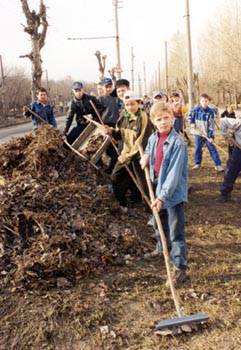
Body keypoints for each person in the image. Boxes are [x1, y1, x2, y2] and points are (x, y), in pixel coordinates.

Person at [140, 102, 188, 287]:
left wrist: (162, 197)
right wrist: (146, 154)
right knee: (159, 223)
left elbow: (174, 175)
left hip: (172, 193)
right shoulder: (153, 138)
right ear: (153, 121)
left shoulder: (178, 143)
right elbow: (151, 151)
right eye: (159, 119)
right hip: (156, 187)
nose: (163, 122)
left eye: (166, 118)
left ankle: (180, 268)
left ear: (173, 118)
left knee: (176, 230)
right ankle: (162, 249)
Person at [105, 90, 153, 212]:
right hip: (126, 154)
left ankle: (151, 212)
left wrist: (127, 157)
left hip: (139, 156)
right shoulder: (123, 117)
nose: (130, 107)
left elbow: (141, 143)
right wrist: (111, 131)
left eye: (132, 104)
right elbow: (118, 136)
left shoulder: (143, 118)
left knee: (144, 184)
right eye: (127, 104)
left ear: (138, 103)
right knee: (115, 177)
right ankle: (122, 204)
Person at [187, 93, 224, 171]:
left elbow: (211, 126)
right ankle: (197, 163)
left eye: (206, 101)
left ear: (208, 102)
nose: (204, 102)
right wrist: (192, 122)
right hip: (198, 133)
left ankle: (218, 165)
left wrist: (211, 136)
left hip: (206, 134)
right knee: (197, 148)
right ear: (200, 101)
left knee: (212, 148)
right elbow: (188, 115)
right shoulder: (196, 109)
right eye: (203, 101)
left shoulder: (210, 112)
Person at [97, 77, 122, 173]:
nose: (108, 88)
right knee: (102, 148)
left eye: (110, 86)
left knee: (114, 149)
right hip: (104, 126)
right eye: (106, 87)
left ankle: (112, 168)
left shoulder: (116, 99)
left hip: (115, 126)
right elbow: (95, 113)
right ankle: (100, 166)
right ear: (102, 87)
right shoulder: (100, 99)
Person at [218, 117, 241, 202]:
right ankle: (225, 194)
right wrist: (225, 135)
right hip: (239, 151)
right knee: (231, 171)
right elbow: (223, 121)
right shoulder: (239, 123)